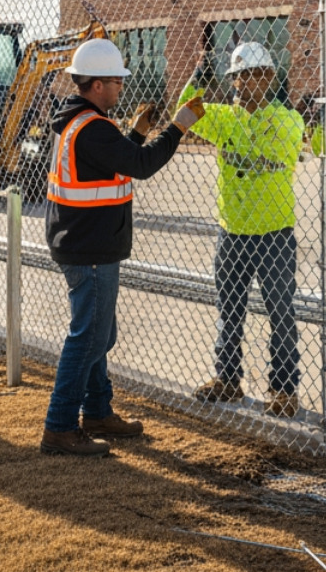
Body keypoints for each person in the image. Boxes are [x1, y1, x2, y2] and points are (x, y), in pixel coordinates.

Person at [40, 37, 204, 456]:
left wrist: (137, 132)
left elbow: (112, 162)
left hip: (80, 240)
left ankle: (97, 411)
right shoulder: (93, 127)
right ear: (97, 85)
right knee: (88, 339)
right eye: (116, 81)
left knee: (99, 333)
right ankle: (59, 427)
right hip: (90, 246)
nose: (121, 87)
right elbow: (140, 165)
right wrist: (179, 125)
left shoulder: (76, 121)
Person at [180, 42, 304, 417]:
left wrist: (245, 127)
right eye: (238, 76)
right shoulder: (223, 118)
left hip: (273, 233)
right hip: (231, 232)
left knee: (280, 313)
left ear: (269, 77)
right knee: (229, 311)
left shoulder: (286, 120)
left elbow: (274, 150)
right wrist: (199, 75)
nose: (244, 82)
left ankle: (284, 389)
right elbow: (184, 111)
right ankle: (228, 379)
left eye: (253, 75)